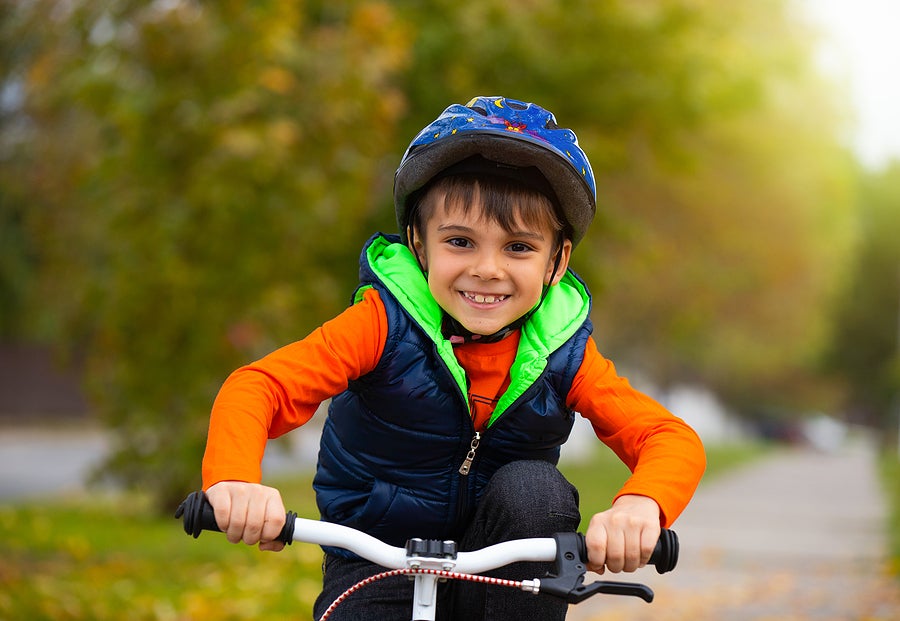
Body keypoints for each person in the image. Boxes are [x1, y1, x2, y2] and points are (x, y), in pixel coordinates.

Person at [201, 96, 706, 620]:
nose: (487, 269)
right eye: (460, 241)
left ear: (558, 261)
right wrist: (236, 479)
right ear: (419, 245)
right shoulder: (381, 323)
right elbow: (260, 386)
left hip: (505, 570)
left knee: (534, 489)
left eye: (518, 248)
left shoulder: (563, 355)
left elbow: (669, 437)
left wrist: (638, 506)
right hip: (378, 559)